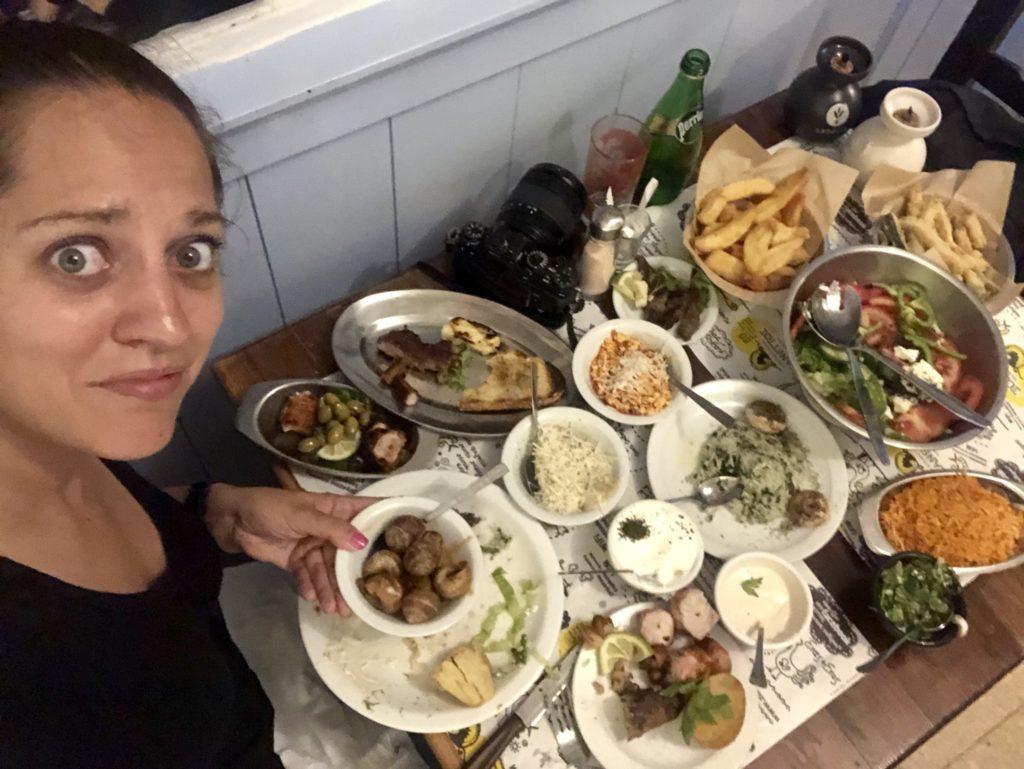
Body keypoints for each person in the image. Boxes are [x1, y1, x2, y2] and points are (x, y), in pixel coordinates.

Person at [0, 20, 372, 768]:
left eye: (192, 252)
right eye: (76, 255)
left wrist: (217, 511)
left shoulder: (58, 441)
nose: (170, 325)